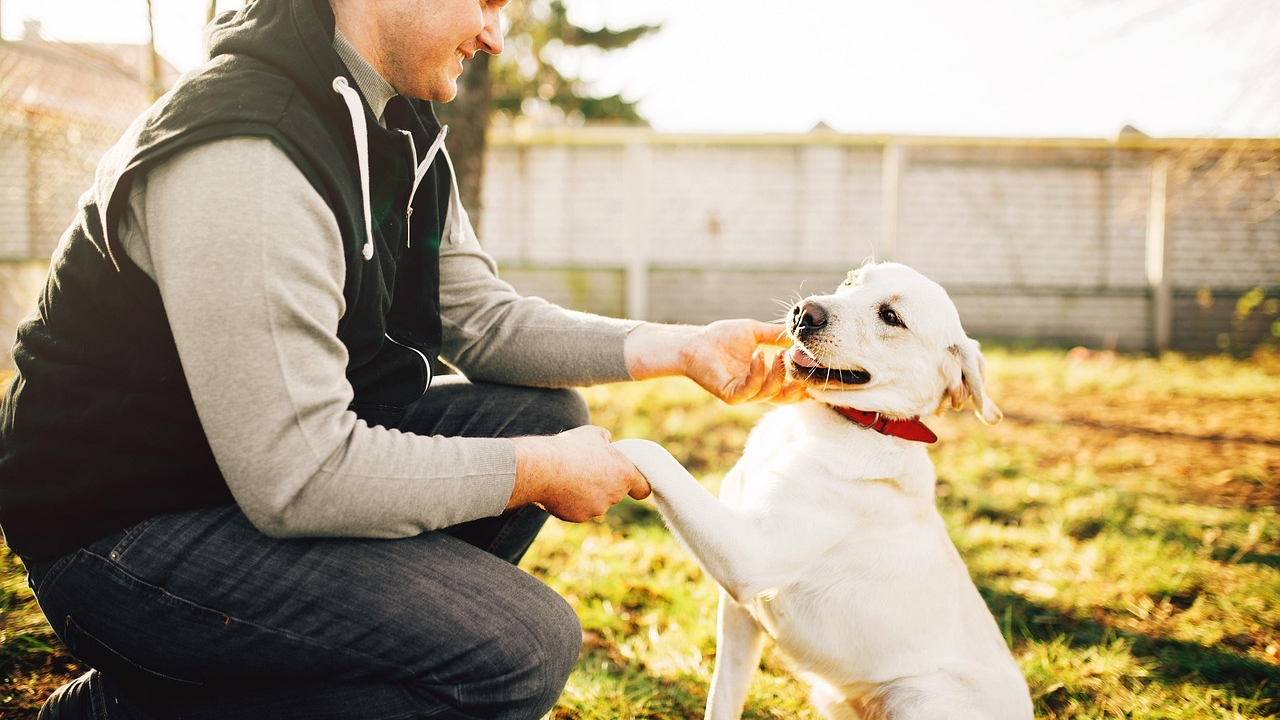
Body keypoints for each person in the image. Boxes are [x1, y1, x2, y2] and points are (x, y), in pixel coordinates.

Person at [0, 0, 803, 718]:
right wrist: (536, 472)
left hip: (234, 478)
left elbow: (481, 319)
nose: (496, 33)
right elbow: (301, 474)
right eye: (487, 1)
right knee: (520, 647)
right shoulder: (246, 151)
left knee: (544, 412)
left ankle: (174, 691)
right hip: (121, 534)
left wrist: (685, 349)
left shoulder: (399, 121)